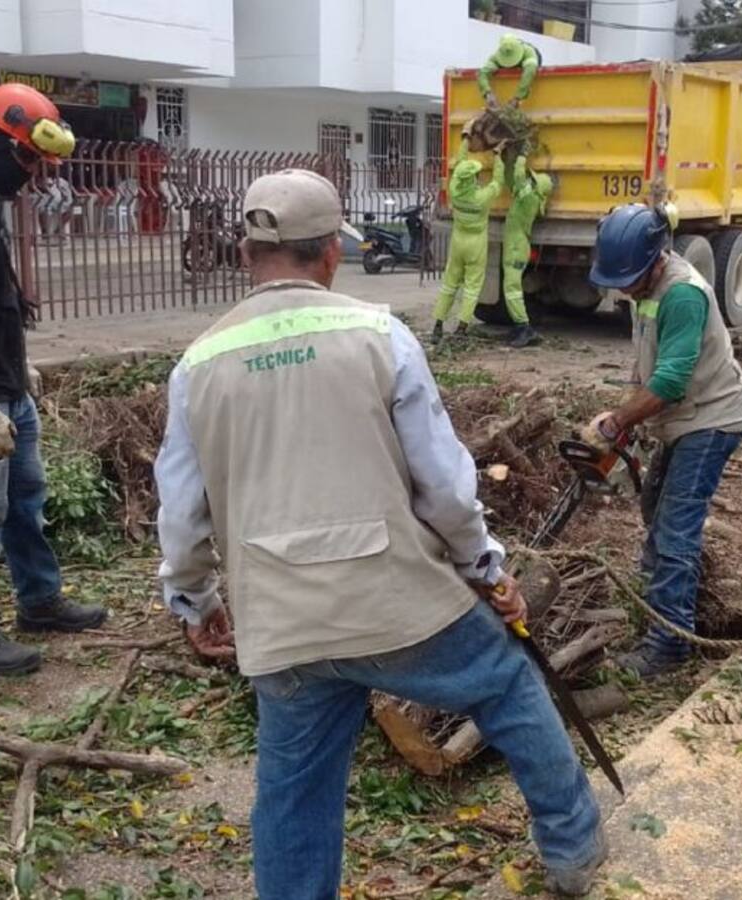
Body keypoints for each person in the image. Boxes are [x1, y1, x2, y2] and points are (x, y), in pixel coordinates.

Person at [154, 168, 605, 899]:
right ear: (333, 252)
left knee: (293, 790)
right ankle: (574, 850)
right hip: (397, 602)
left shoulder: (197, 365)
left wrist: (196, 603)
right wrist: (487, 569)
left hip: (283, 620)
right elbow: (448, 488)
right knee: (508, 686)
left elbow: (179, 515)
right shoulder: (378, 337)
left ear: (245, 255)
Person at [584, 204, 742, 679]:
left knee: (676, 527)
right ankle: (655, 607)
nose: (624, 288)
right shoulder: (646, 289)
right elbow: (651, 367)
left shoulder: (682, 294)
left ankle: (669, 645)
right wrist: (628, 416)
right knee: (654, 510)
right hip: (681, 417)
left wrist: (618, 421)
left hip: (711, 419)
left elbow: (672, 379)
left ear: (656, 258)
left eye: (630, 278)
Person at [0, 83, 103, 677]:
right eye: (28, 158)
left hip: (8, 386)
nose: (32, 174)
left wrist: (16, 365)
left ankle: (39, 601)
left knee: (26, 498)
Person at [431, 136, 505, 344]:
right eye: (476, 175)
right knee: (472, 286)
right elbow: (498, 181)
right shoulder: (481, 198)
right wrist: (498, 156)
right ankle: (462, 328)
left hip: (458, 243)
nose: (479, 176)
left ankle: (438, 324)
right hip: (475, 245)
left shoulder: (455, 191)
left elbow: (458, 165)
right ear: (472, 179)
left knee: (449, 284)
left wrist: (464, 138)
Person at [501, 155, 553, 348]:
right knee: (512, 288)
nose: (530, 180)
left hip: (516, 246)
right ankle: (520, 326)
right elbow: (512, 180)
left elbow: (517, 175)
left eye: (534, 180)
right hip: (518, 245)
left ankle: (524, 328)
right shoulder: (531, 198)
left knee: (512, 289)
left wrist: (521, 154)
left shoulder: (528, 197)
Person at [478, 34, 542, 110]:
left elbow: (530, 70)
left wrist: (518, 97)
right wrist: (488, 94)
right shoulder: (495, 57)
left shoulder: (528, 52)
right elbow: (483, 72)